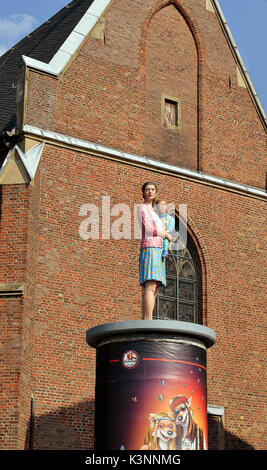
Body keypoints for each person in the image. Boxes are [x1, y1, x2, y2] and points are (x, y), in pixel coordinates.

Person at [137, 182, 172, 320]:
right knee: (150, 284)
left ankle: (149, 318)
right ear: (143, 192)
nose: (150, 192)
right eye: (147, 190)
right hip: (150, 247)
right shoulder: (142, 207)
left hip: (158, 248)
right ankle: (147, 319)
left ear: (156, 193)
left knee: (155, 287)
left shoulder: (154, 212)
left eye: (153, 190)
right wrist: (166, 234)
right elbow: (149, 228)